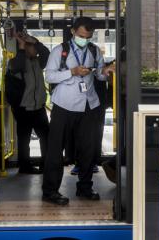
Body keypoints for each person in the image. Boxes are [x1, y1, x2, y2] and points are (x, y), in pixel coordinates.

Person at [42, 17, 114, 205]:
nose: (84, 39)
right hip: (64, 106)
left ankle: (85, 188)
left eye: (88, 36)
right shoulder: (60, 50)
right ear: (73, 31)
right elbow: (49, 76)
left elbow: (98, 74)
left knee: (88, 150)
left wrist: (105, 72)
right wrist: (72, 72)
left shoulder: (94, 50)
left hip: (88, 105)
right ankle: (50, 192)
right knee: (55, 150)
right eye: (81, 35)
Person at [7, 31, 50, 174]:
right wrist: (21, 46)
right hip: (23, 107)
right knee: (24, 138)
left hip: (38, 107)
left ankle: (46, 163)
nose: (36, 51)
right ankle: (25, 166)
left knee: (46, 136)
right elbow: (18, 65)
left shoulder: (37, 62)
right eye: (33, 48)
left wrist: (35, 41)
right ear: (25, 48)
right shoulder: (15, 63)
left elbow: (47, 55)